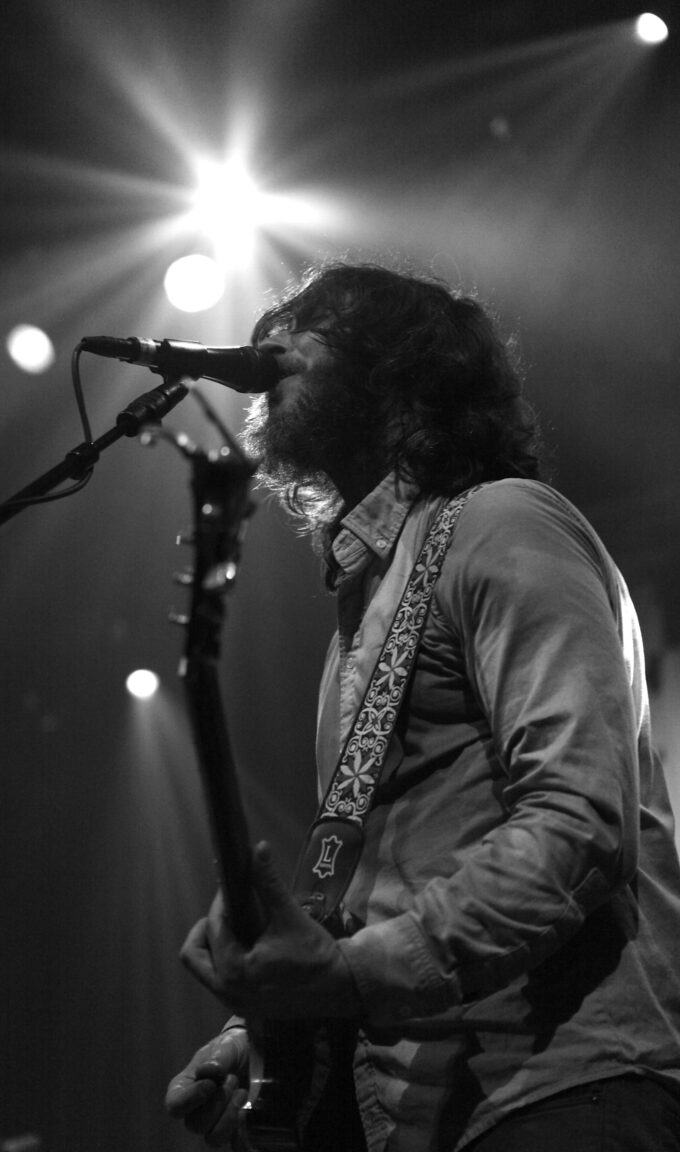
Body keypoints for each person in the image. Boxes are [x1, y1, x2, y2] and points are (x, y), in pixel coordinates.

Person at [165, 262, 680, 1151]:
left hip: (565, 1087)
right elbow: (377, 900)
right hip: (425, 1118)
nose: (272, 344)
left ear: (400, 363)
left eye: (311, 325)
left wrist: (347, 975)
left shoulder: (504, 523)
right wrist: (268, 1036)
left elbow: (579, 818)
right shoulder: (360, 616)